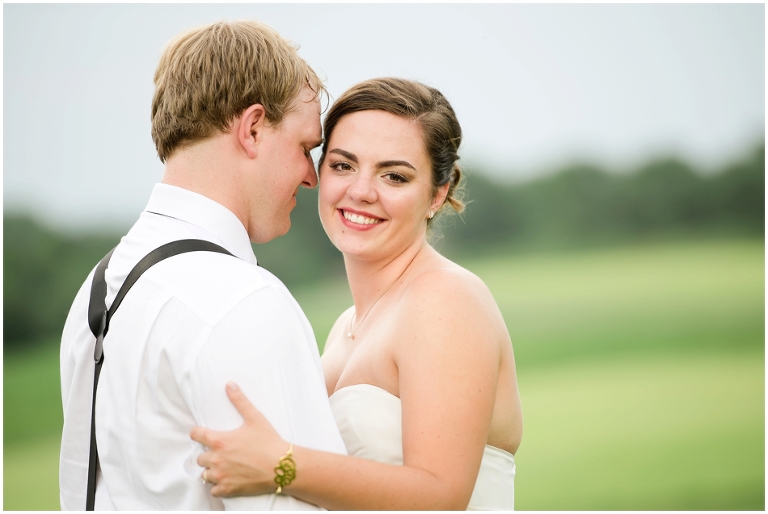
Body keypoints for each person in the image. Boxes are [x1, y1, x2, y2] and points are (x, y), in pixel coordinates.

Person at [191, 78, 524, 510]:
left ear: (437, 194)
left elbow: (441, 496)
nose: (361, 192)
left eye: (394, 175)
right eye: (343, 166)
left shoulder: (445, 300)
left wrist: (280, 466)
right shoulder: (345, 328)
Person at [58, 20, 347, 510]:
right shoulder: (243, 301)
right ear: (253, 128)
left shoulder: (99, 286)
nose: (312, 177)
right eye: (304, 148)